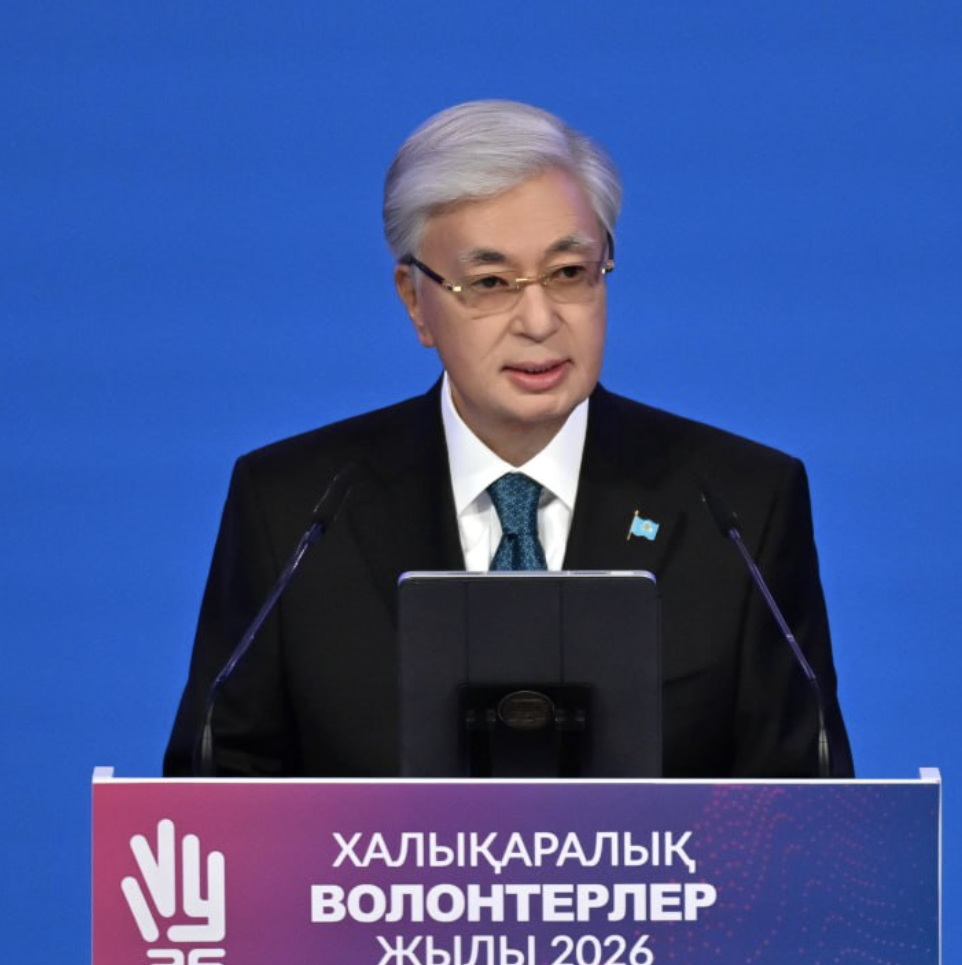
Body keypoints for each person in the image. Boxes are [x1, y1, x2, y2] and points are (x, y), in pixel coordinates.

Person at [164, 100, 852, 779]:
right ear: (415, 300)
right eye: (491, 283)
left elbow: (809, 807)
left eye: (569, 273)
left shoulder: (738, 506)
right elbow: (214, 788)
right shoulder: (294, 509)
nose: (539, 320)